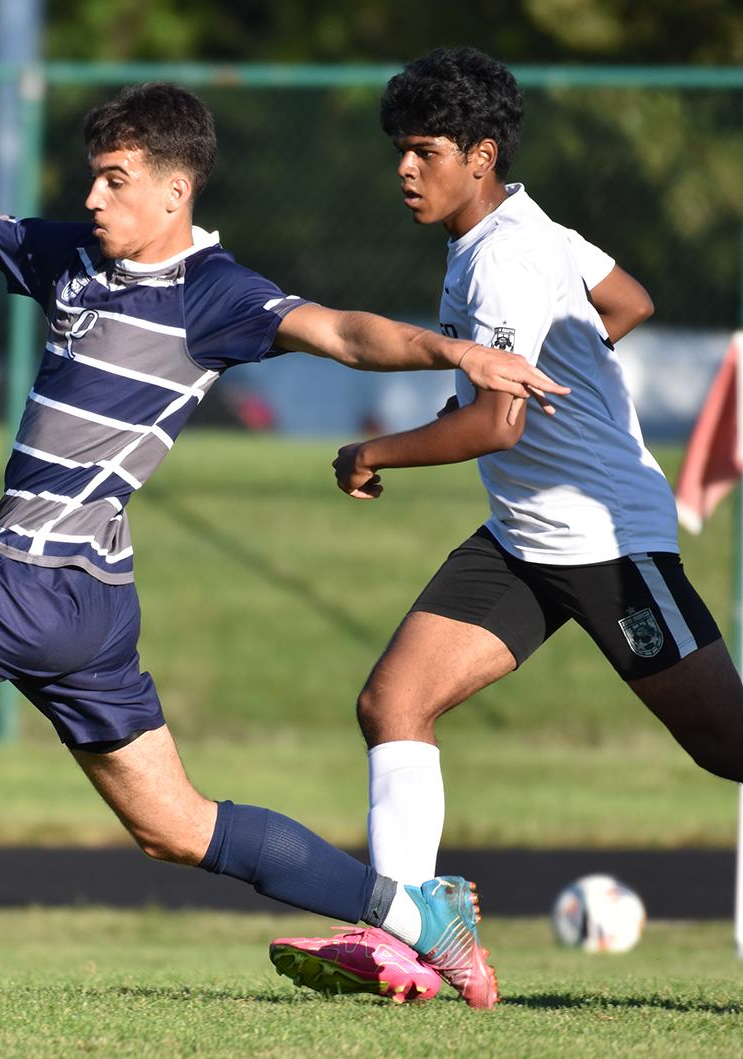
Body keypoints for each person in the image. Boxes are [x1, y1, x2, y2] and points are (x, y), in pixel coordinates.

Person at [0, 81, 564, 1008]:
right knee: (179, 828)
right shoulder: (74, 258)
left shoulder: (213, 295)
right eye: (93, 180)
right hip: (89, 606)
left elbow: (345, 333)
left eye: (115, 180)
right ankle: (419, 916)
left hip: (38, 585)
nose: (95, 199)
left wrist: (456, 353)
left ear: (174, 192)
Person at [270, 46, 743, 1001]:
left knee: (728, 747)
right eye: (398, 150)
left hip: (609, 547)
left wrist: (374, 452)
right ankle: (416, 937)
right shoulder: (521, 230)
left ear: (481, 154)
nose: (405, 169)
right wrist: (565, 366)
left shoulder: (509, 261)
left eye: (425, 151)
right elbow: (628, 301)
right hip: (525, 542)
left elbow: (496, 421)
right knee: (392, 704)